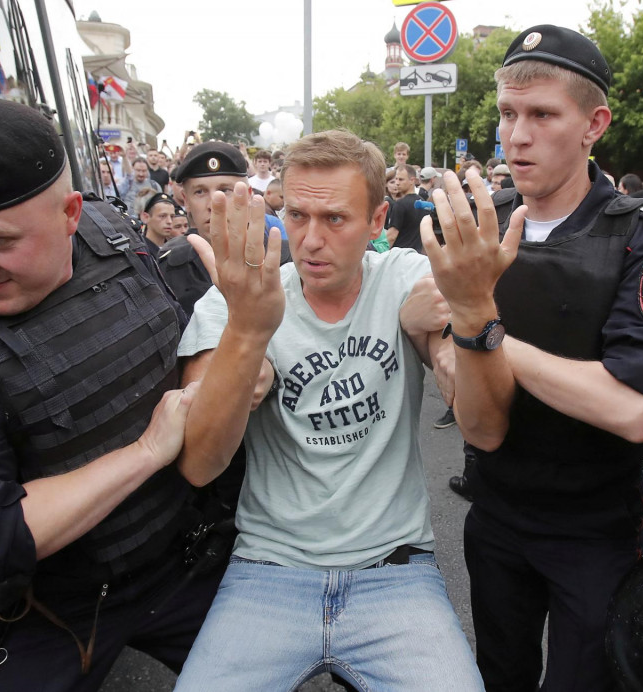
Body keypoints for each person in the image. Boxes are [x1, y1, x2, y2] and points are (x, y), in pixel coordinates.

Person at [0, 98, 223, 691]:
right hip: (55, 608)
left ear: (70, 214)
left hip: (184, 559)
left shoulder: (119, 239)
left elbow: (178, 341)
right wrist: (144, 454)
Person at [421, 25, 643, 691]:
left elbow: (632, 408)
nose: (516, 136)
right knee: (500, 674)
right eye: (508, 114)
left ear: (593, 124)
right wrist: (439, 342)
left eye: (543, 115)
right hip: (494, 513)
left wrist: (483, 329)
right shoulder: (488, 220)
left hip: (591, 529)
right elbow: (421, 315)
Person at [172, 129, 483, 691]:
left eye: (335, 219)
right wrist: (246, 337)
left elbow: (478, 415)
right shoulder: (240, 296)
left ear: (376, 219)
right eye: (296, 216)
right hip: (268, 568)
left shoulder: (405, 279)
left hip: (395, 568)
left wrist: (459, 330)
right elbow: (199, 462)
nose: (310, 240)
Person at [157, 141, 290, 318]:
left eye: (225, 190)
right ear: (185, 200)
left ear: (249, 195)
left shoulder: (286, 258)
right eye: (200, 192)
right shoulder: (169, 265)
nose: (214, 203)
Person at [140, 191, 177, 257]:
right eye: (162, 216)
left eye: (172, 216)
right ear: (146, 217)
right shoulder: (141, 251)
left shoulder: (175, 250)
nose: (169, 221)